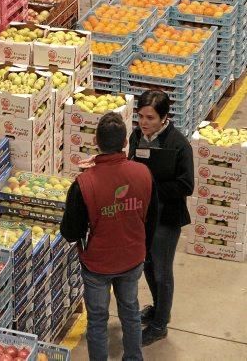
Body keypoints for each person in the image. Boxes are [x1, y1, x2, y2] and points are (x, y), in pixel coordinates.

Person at [61, 112, 158, 361]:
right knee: (130, 311)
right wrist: (141, 247)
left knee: (97, 321)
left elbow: (69, 232)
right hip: (132, 258)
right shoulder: (144, 174)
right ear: (125, 142)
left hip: (97, 265)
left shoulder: (83, 183)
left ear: (96, 142)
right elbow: (152, 219)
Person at [128, 90, 194, 346]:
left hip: (166, 218)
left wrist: (151, 188)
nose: (144, 122)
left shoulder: (178, 145)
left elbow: (186, 185)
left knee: (163, 271)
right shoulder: (136, 136)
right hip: (142, 215)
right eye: (141, 116)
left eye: (150, 118)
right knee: (147, 265)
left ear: (164, 118)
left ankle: (160, 324)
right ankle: (157, 309)